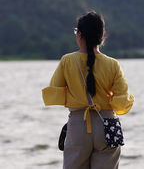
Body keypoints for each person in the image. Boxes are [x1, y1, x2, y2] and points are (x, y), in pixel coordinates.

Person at [42, 11, 134, 169]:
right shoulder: (113, 64)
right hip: (107, 124)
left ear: (80, 35)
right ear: (102, 36)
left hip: (78, 125)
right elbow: (122, 100)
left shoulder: (67, 61)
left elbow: (55, 91)